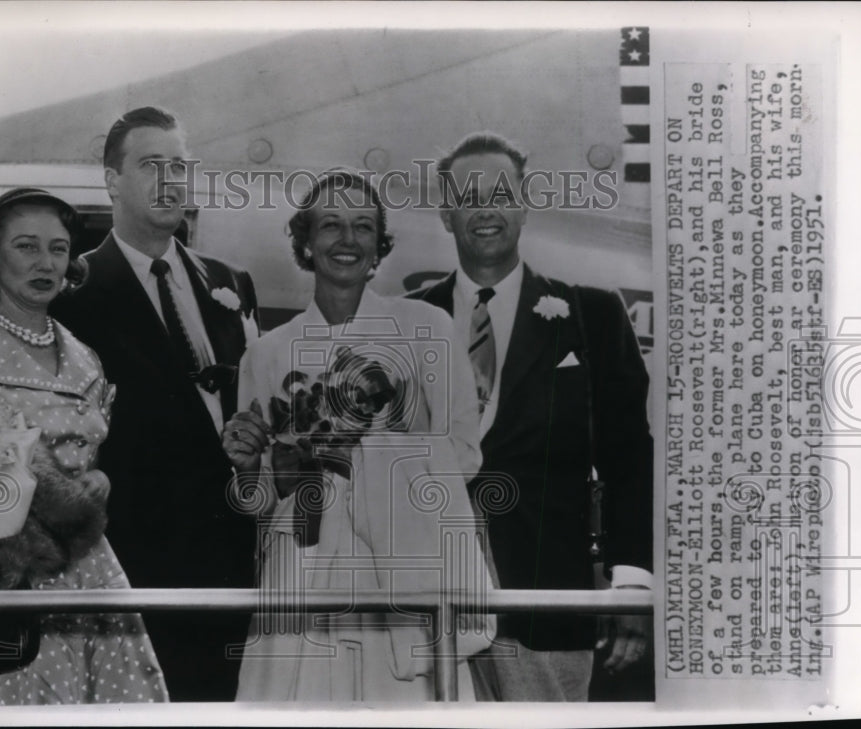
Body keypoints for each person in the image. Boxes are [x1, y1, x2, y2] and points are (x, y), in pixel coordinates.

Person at [222, 168, 494, 702]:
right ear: (305, 241)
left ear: (379, 245)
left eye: (363, 226)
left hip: (400, 563)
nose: (347, 240)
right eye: (330, 225)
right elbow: (260, 506)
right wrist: (249, 467)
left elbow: (464, 456)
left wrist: (362, 447)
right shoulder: (267, 352)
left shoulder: (426, 326)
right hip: (301, 569)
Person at [408, 132, 653, 701]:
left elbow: (629, 459)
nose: (486, 209)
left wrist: (633, 583)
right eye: (469, 197)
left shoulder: (592, 313)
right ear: (447, 216)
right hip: (424, 604)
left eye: (500, 193)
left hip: (544, 600)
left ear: (524, 204)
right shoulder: (406, 320)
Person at [0, 188, 168, 705]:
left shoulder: (85, 357)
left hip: (88, 570)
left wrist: (98, 481)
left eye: (59, 249)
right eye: (26, 246)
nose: (46, 262)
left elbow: (92, 462)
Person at [50, 107, 259, 701]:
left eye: (179, 165)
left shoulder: (230, 282)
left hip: (232, 566)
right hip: (136, 568)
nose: (170, 180)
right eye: (150, 165)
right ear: (112, 181)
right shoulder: (73, 292)